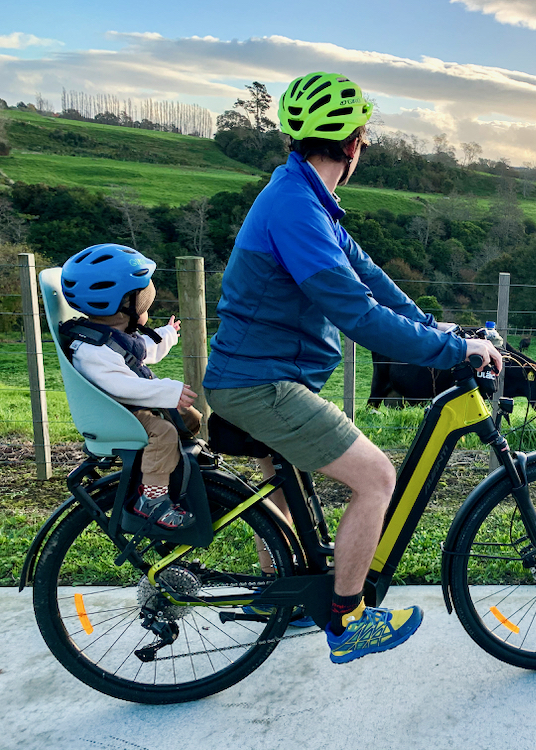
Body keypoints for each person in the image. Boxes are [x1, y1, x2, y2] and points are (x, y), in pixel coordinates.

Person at [202, 71, 502, 664]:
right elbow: (356, 314)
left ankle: (280, 598)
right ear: (353, 142)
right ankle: (347, 619)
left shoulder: (306, 196)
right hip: (261, 383)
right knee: (377, 479)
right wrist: (450, 353)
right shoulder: (295, 207)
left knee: (283, 498)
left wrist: (438, 327)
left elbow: (369, 278)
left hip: (256, 374)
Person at [61, 244, 202, 530]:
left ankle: (173, 476)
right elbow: (122, 386)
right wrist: (167, 390)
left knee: (190, 420)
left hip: (125, 409)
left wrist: (166, 335)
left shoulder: (108, 338)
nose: (148, 306)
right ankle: (151, 502)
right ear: (125, 303)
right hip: (115, 414)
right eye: (145, 300)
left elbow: (140, 353)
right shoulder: (92, 351)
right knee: (162, 432)